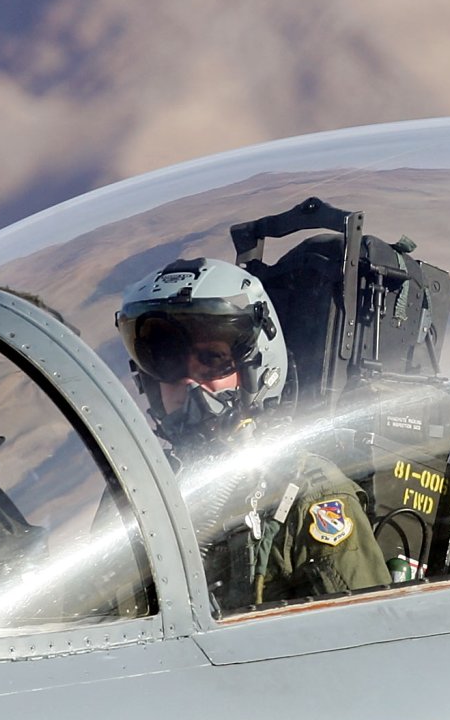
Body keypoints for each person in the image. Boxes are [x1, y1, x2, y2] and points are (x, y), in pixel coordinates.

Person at [116, 257, 389, 609]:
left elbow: (370, 633)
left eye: (212, 359)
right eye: (167, 361)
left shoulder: (308, 492)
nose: (188, 382)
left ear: (256, 368)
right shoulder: (139, 492)